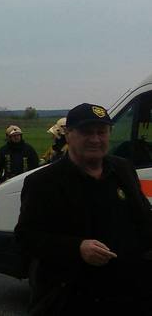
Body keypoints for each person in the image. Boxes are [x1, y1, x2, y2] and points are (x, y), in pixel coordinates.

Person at [15, 103, 152, 314]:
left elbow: (144, 220)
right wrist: (77, 248)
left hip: (128, 295)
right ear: (69, 135)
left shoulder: (123, 169)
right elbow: (26, 237)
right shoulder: (43, 182)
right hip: (72, 298)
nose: (95, 139)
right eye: (87, 132)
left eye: (101, 132)